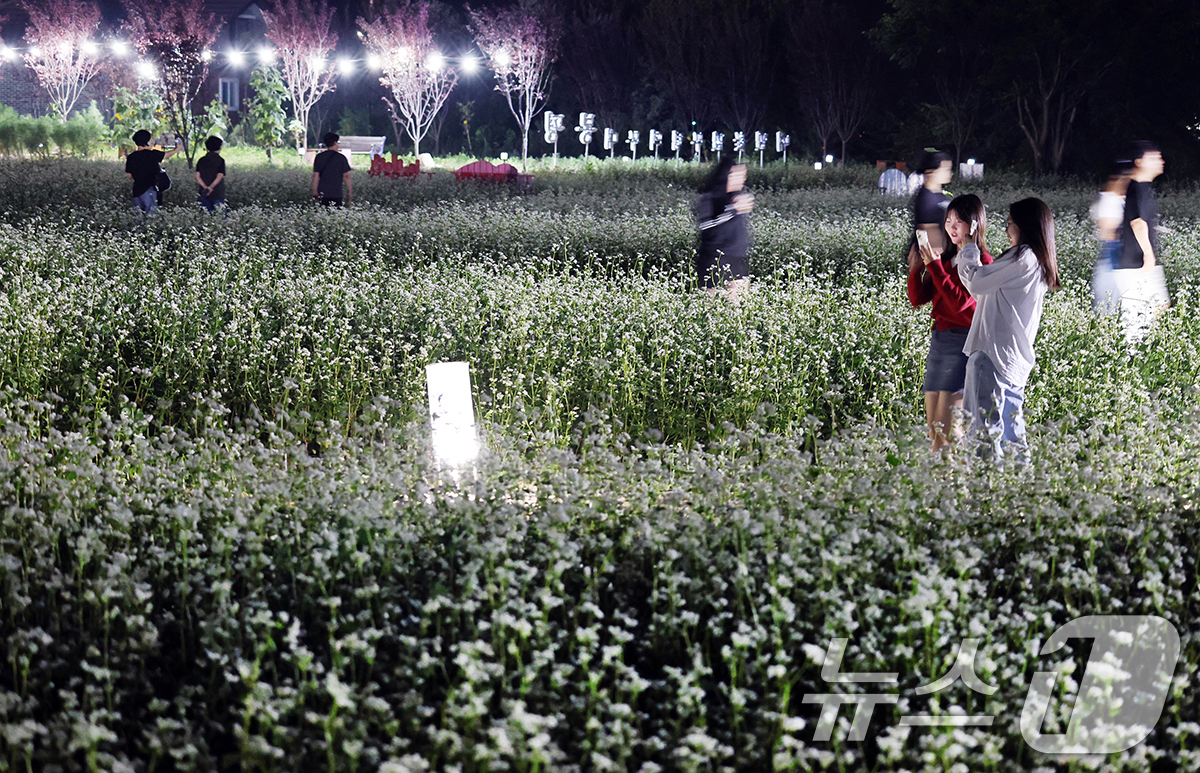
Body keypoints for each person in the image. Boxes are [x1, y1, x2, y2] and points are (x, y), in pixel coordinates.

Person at [958, 198, 1060, 462]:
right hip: (1015, 360)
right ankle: (1019, 493)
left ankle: (986, 494)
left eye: (1010, 223)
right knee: (1013, 435)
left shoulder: (1022, 257)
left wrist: (969, 249)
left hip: (993, 355)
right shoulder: (1038, 259)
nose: (1006, 230)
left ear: (1024, 226)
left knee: (982, 434)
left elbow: (977, 283)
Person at [909, 194, 993, 451]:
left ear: (975, 224)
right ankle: (944, 485)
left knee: (948, 431)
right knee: (934, 430)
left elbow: (961, 306)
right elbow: (918, 299)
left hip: (962, 344)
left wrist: (934, 267)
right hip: (940, 341)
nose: (952, 226)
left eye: (960, 221)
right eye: (948, 220)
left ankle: (958, 486)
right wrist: (916, 269)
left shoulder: (982, 262)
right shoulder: (946, 260)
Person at [1114, 141, 1168, 343]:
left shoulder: (1143, 188)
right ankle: (1129, 366)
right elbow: (1137, 222)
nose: (1161, 161)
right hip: (1136, 265)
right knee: (1135, 325)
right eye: (1155, 157)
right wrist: (1148, 253)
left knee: (1157, 309)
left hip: (1140, 264)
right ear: (1139, 162)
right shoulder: (1137, 188)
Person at [695, 155, 754, 300]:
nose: (743, 179)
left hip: (735, 260)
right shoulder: (710, 198)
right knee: (708, 308)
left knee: (738, 308)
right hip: (713, 260)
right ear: (728, 175)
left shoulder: (735, 198)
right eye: (740, 175)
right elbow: (707, 226)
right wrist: (734, 210)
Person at [1090, 160, 1130, 314]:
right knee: (1106, 307)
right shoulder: (1108, 201)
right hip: (1112, 262)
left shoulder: (1118, 200)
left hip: (1117, 261)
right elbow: (1106, 231)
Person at [907, 150, 953, 263]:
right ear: (931, 172)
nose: (950, 173)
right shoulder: (926, 198)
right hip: (933, 259)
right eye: (946, 169)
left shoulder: (938, 195)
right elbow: (928, 232)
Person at [125, 129, 179, 215]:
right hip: (150, 189)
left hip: (137, 190)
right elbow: (167, 155)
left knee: (138, 216)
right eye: (150, 139)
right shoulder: (152, 154)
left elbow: (129, 176)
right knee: (151, 215)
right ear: (146, 141)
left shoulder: (131, 157)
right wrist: (177, 149)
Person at [312, 132, 353, 207]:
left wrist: (315, 191)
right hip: (336, 193)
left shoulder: (319, 157)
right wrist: (350, 192)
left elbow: (316, 175)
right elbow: (346, 176)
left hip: (322, 193)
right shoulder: (341, 158)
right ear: (335, 143)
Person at [195, 136, 227, 213]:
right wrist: (210, 187)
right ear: (219, 147)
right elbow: (219, 176)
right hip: (217, 192)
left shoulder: (201, 160)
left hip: (203, 193)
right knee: (220, 216)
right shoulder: (220, 160)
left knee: (205, 216)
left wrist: (205, 188)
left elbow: (197, 176)